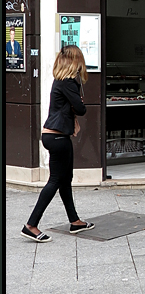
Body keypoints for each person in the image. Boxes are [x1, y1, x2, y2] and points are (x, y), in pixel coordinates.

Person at [22, 45, 95, 242]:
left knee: (64, 180)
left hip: (56, 136)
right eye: (80, 59)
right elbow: (81, 109)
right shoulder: (67, 82)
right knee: (55, 180)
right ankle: (31, 225)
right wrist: (77, 100)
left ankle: (75, 221)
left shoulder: (60, 81)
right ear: (75, 62)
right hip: (57, 138)